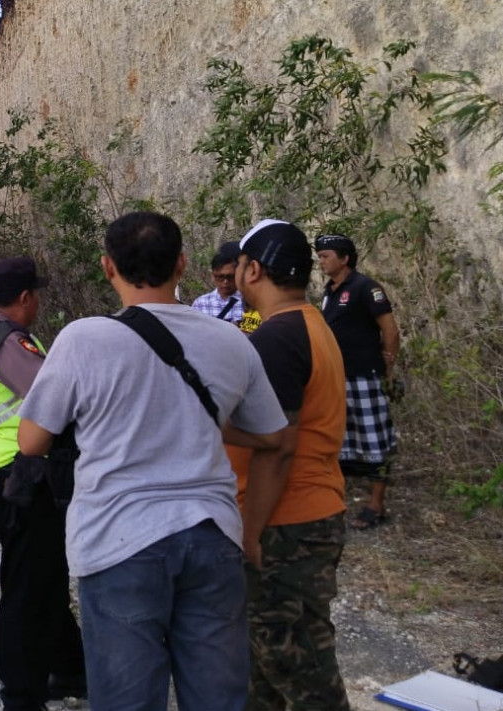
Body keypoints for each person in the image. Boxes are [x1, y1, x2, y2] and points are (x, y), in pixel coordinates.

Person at [17, 212, 288, 711]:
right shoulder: (231, 341)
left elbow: (32, 441)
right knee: (217, 699)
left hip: (119, 541)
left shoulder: (83, 340)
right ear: (183, 264)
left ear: (106, 267)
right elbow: (273, 435)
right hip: (213, 535)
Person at [227, 219, 351, 710]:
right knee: (263, 670)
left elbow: (277, 445)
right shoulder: (310, 324)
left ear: (253, 269)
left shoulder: (278, 338)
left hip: (286, 521)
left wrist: (251, 533)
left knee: (295, 662)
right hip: (302, 514)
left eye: (238, 265)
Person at [0, 256, 87, 711]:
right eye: (35, 293)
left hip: (9, 467)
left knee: (44, 574)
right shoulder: (9, 341)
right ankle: (20, 695)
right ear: (24, 297)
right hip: (21, 471)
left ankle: (72, 668)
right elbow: (52, 398)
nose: (38, 300)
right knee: (28, 584)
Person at [315, 234, 401, 530]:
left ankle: (376, 505)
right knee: (339, 440)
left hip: (365, 377)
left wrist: (388, 370)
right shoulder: (329, 291)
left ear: (344, 258)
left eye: (325, 255)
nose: (321, 260)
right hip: (337, 378)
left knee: (375, 438)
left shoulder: (367, 288)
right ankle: (336, 503)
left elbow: (390, 331)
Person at [191, 241, 245, 326]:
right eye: (220, 277)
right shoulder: (201, 303)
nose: (225, 282)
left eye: (230, 277)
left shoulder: (248, 302)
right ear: (212, 275)